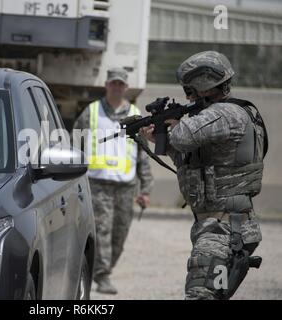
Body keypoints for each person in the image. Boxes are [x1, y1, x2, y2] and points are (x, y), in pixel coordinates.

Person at [141, 51, 267, 299]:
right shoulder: (224, 115)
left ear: (203, 84)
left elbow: (183, 136)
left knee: (201, 294)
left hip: (224, 228)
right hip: (218, 226)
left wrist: (172, 123)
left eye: (190, 89)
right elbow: (193, 162)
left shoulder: (224, 113)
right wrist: (161, 142)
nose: (188, 96)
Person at [74, 68, 154, 294]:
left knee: (120, 233)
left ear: (126, 87)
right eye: (113, 83)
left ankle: (104, 269)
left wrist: (146, 189)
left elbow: (143, 155)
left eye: (121, 84)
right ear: (106, 85)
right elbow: (74, 146)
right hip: (98, 184)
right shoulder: (91, 112)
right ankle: (101, 275)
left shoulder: (137, 115)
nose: (117, 87)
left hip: (126, 187)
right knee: (102, 229)